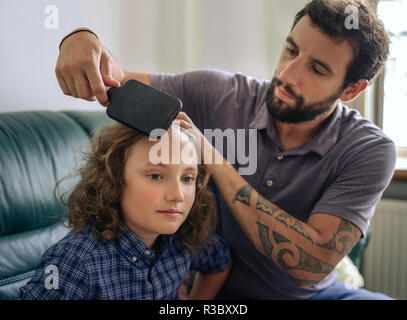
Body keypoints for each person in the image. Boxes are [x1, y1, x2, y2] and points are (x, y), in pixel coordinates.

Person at [54, 0, 396, 299]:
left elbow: (310, 266)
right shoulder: (217, 93)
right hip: (218, 289)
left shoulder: (369, 150)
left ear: (352, 89)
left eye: (317, 69)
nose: (287, 75)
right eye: (291, 50)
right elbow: (112, 81)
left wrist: (213, 159)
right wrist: (81, 39)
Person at [19, 122, 231, 300]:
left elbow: (220, 259)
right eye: (155, 176)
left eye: (187, 178)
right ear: (113, 181)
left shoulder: (183, 240)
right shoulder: (74, 261)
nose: (178, 195)